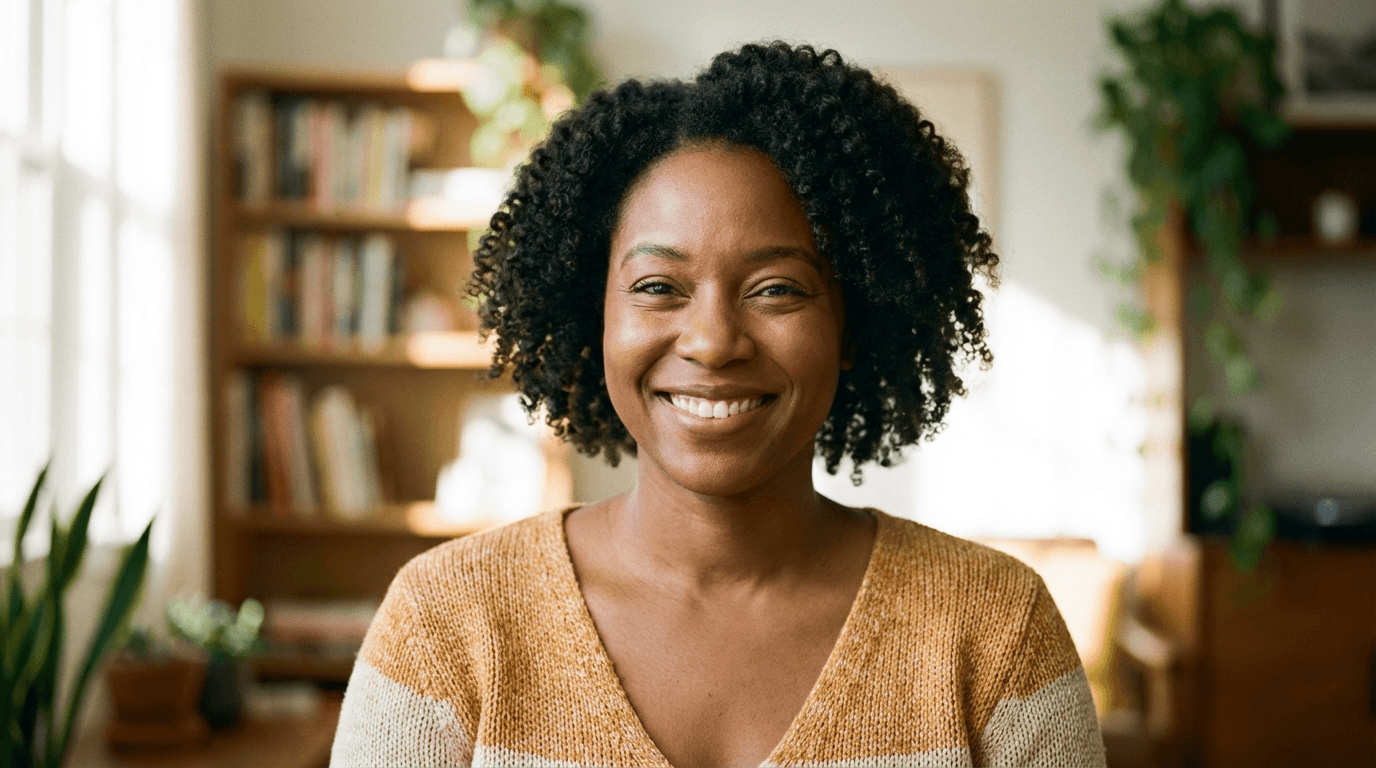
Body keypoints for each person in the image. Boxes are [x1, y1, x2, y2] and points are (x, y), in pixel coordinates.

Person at [330, 42, 1106, 768]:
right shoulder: (444, 625)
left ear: (853, 324)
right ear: (590, 314)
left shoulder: (997, 631)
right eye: (658, 287)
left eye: (776, 289)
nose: (712, 341)